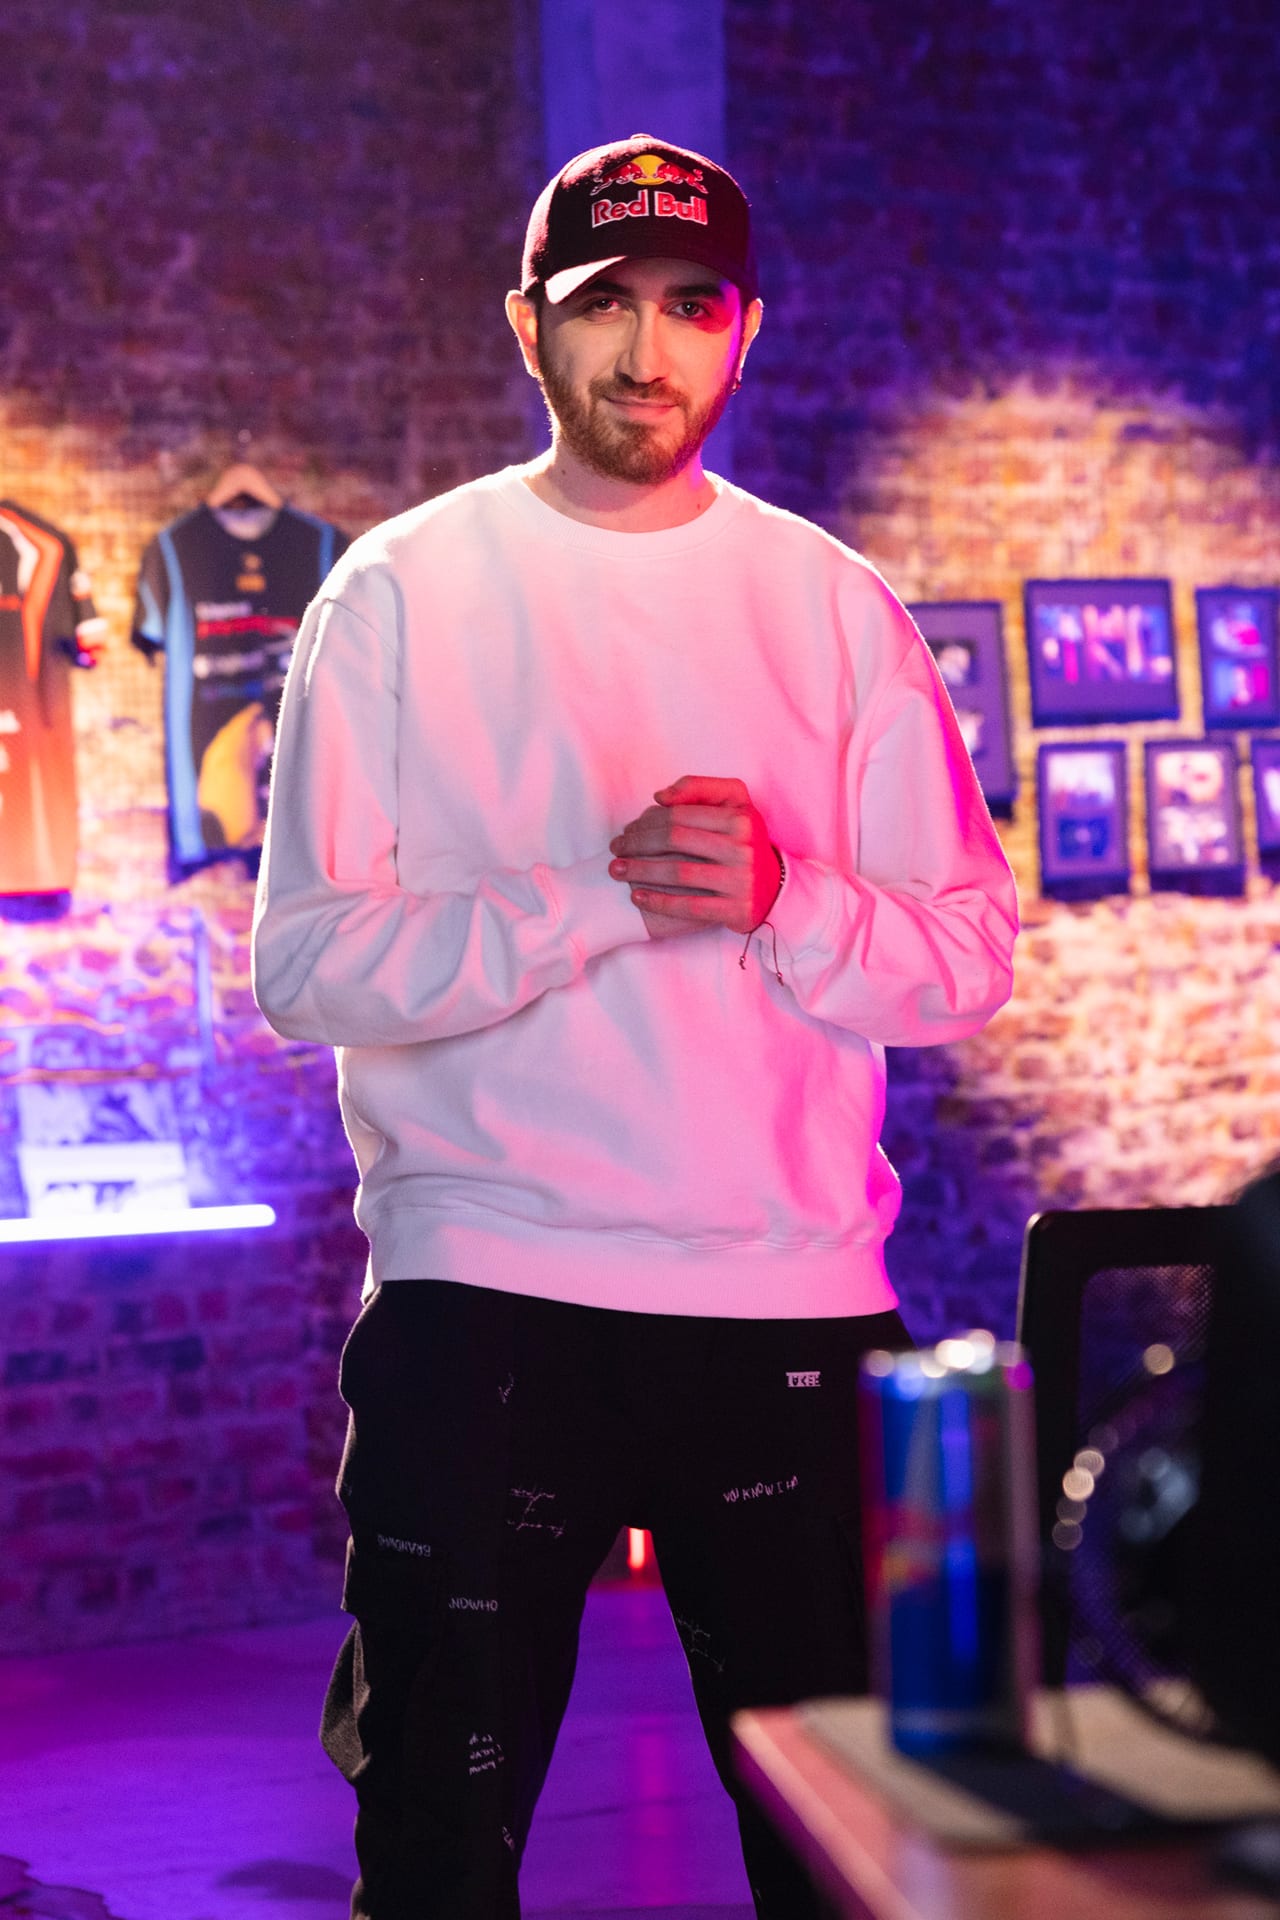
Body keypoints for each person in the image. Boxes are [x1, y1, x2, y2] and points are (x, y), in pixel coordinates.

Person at [251, 132, 1018, 1920]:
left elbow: (966, 959)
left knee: (847, 1866)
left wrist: (781, 900)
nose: (647, 349)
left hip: (788, 1298)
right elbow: (309, 967)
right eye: (606, 304)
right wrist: (597, 899)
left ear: (744, 333)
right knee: (437, 1857)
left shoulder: (831, 605)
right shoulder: (402, 589)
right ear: (531, 325)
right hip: (483, 1293)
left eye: (691, 306)